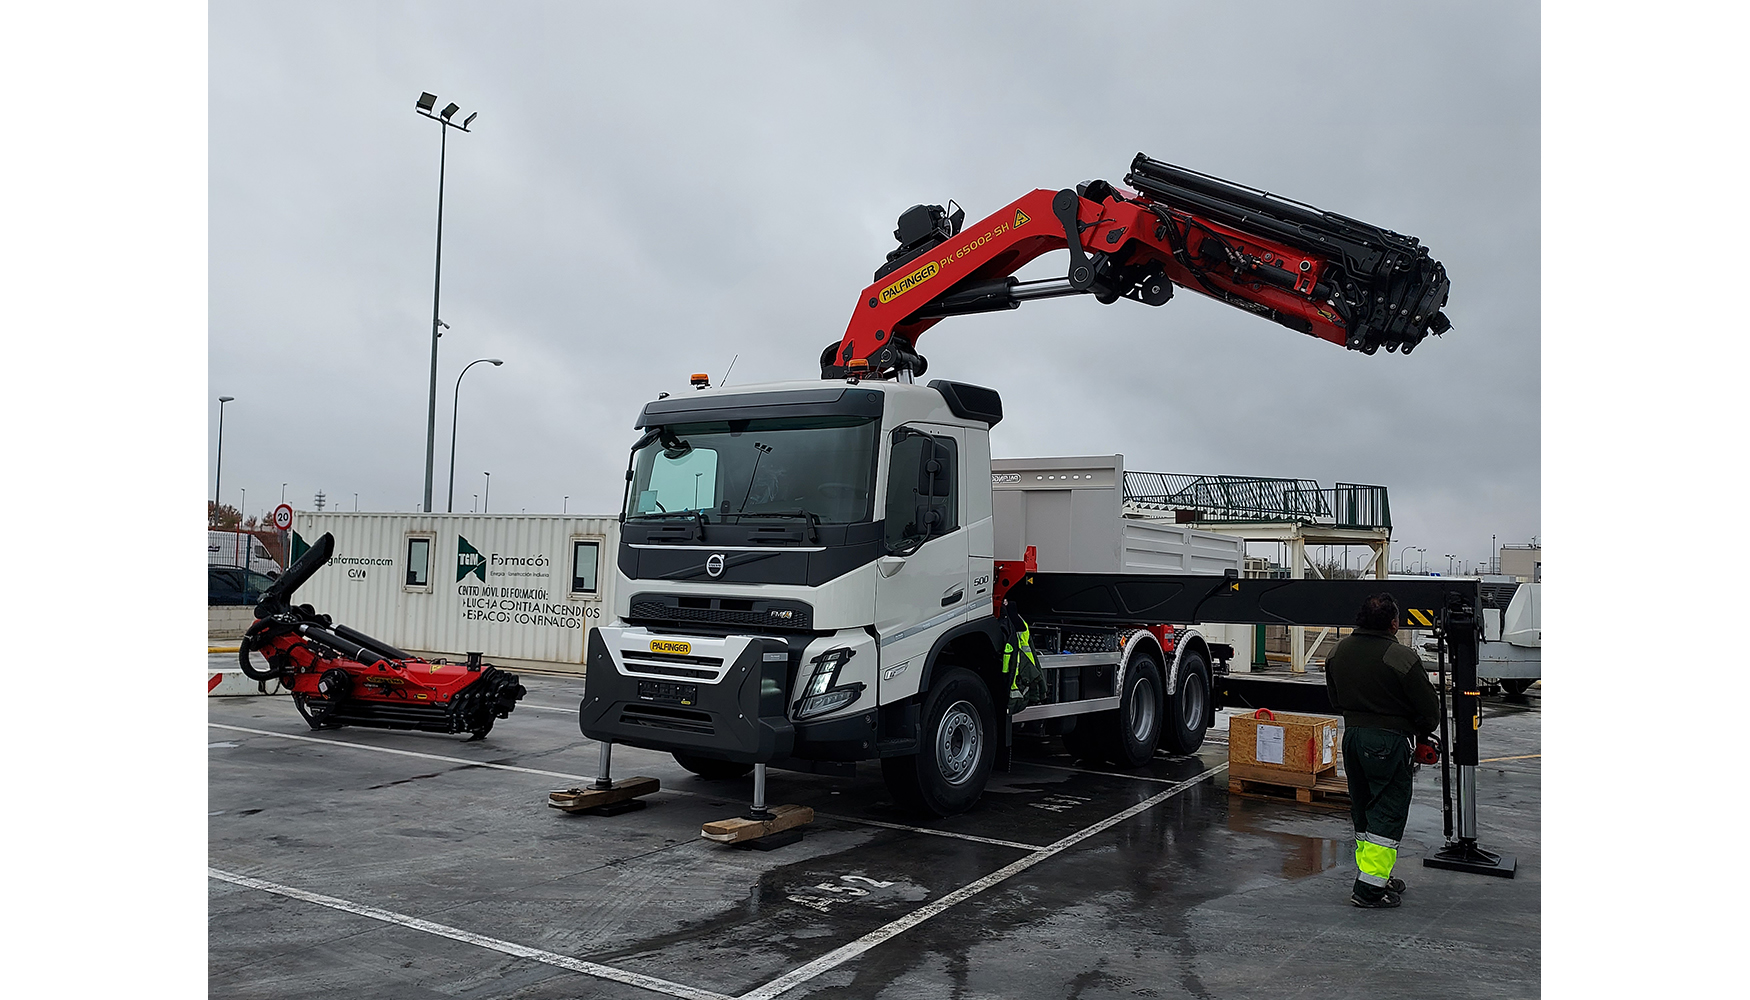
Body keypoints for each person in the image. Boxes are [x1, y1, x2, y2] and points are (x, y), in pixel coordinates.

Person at [1324, 592, 1440, 909]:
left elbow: (1334, 700)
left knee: (1363, 808)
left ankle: (1375, 874)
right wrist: (1418, 727)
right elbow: (1430, 710)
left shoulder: (1337, 651)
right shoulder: (1400, 657)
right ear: (1393, 623)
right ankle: (1369, 889)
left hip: (1353, 738)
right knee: (1387, 811)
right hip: (1388, 742)